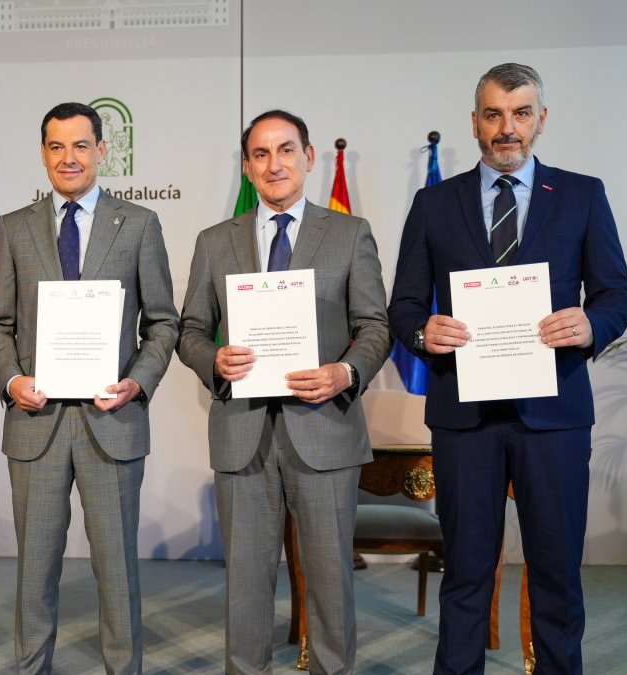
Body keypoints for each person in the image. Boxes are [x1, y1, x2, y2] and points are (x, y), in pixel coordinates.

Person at [387, 63, 627, 675]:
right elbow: (404, 306)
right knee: (466, 576)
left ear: (541, 120)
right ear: (474, 122)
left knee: (556, 575)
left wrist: (590, 326)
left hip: (553, 418)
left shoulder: (582, 194)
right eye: (494, 114)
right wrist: (425, 331)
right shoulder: (432, 203)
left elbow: (616, 295)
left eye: (521, 113)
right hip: (464, 418)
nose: (507, 128)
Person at [177, 110, 391, 675]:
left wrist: (344, 373)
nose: (275, 164)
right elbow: (189, 332)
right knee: (245, 585)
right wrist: (213, 361)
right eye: (262, 154)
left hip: (326, 429)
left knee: (329, 582)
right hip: (242, 432)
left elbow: (375, 328)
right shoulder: (214, 241)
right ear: (247, 166)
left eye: (287, 150)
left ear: (309, 157)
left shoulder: (349, 233)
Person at [0, 102, 179, 674]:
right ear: (44, 153)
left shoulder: (138, 224)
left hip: (111, 422)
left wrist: (136, 384)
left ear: (101, 150)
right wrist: (12, 379)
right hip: (35, 424)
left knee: (116, 568)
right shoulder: (14, 227)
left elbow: (163, 322)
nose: (69, 158)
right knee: (34, 571)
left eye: (80, 145)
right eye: (56, 146)